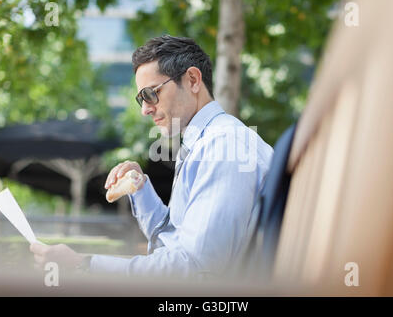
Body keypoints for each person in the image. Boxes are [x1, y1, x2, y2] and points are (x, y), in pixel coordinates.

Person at [30, 35, 273, 279]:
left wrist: (84, 265)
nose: (145, 109)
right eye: (141, 99)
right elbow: (176, 242)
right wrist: (140, 188)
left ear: (192, 80)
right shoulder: (205, 143)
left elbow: (195, 268)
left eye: (151, 94)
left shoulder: (224, 146)